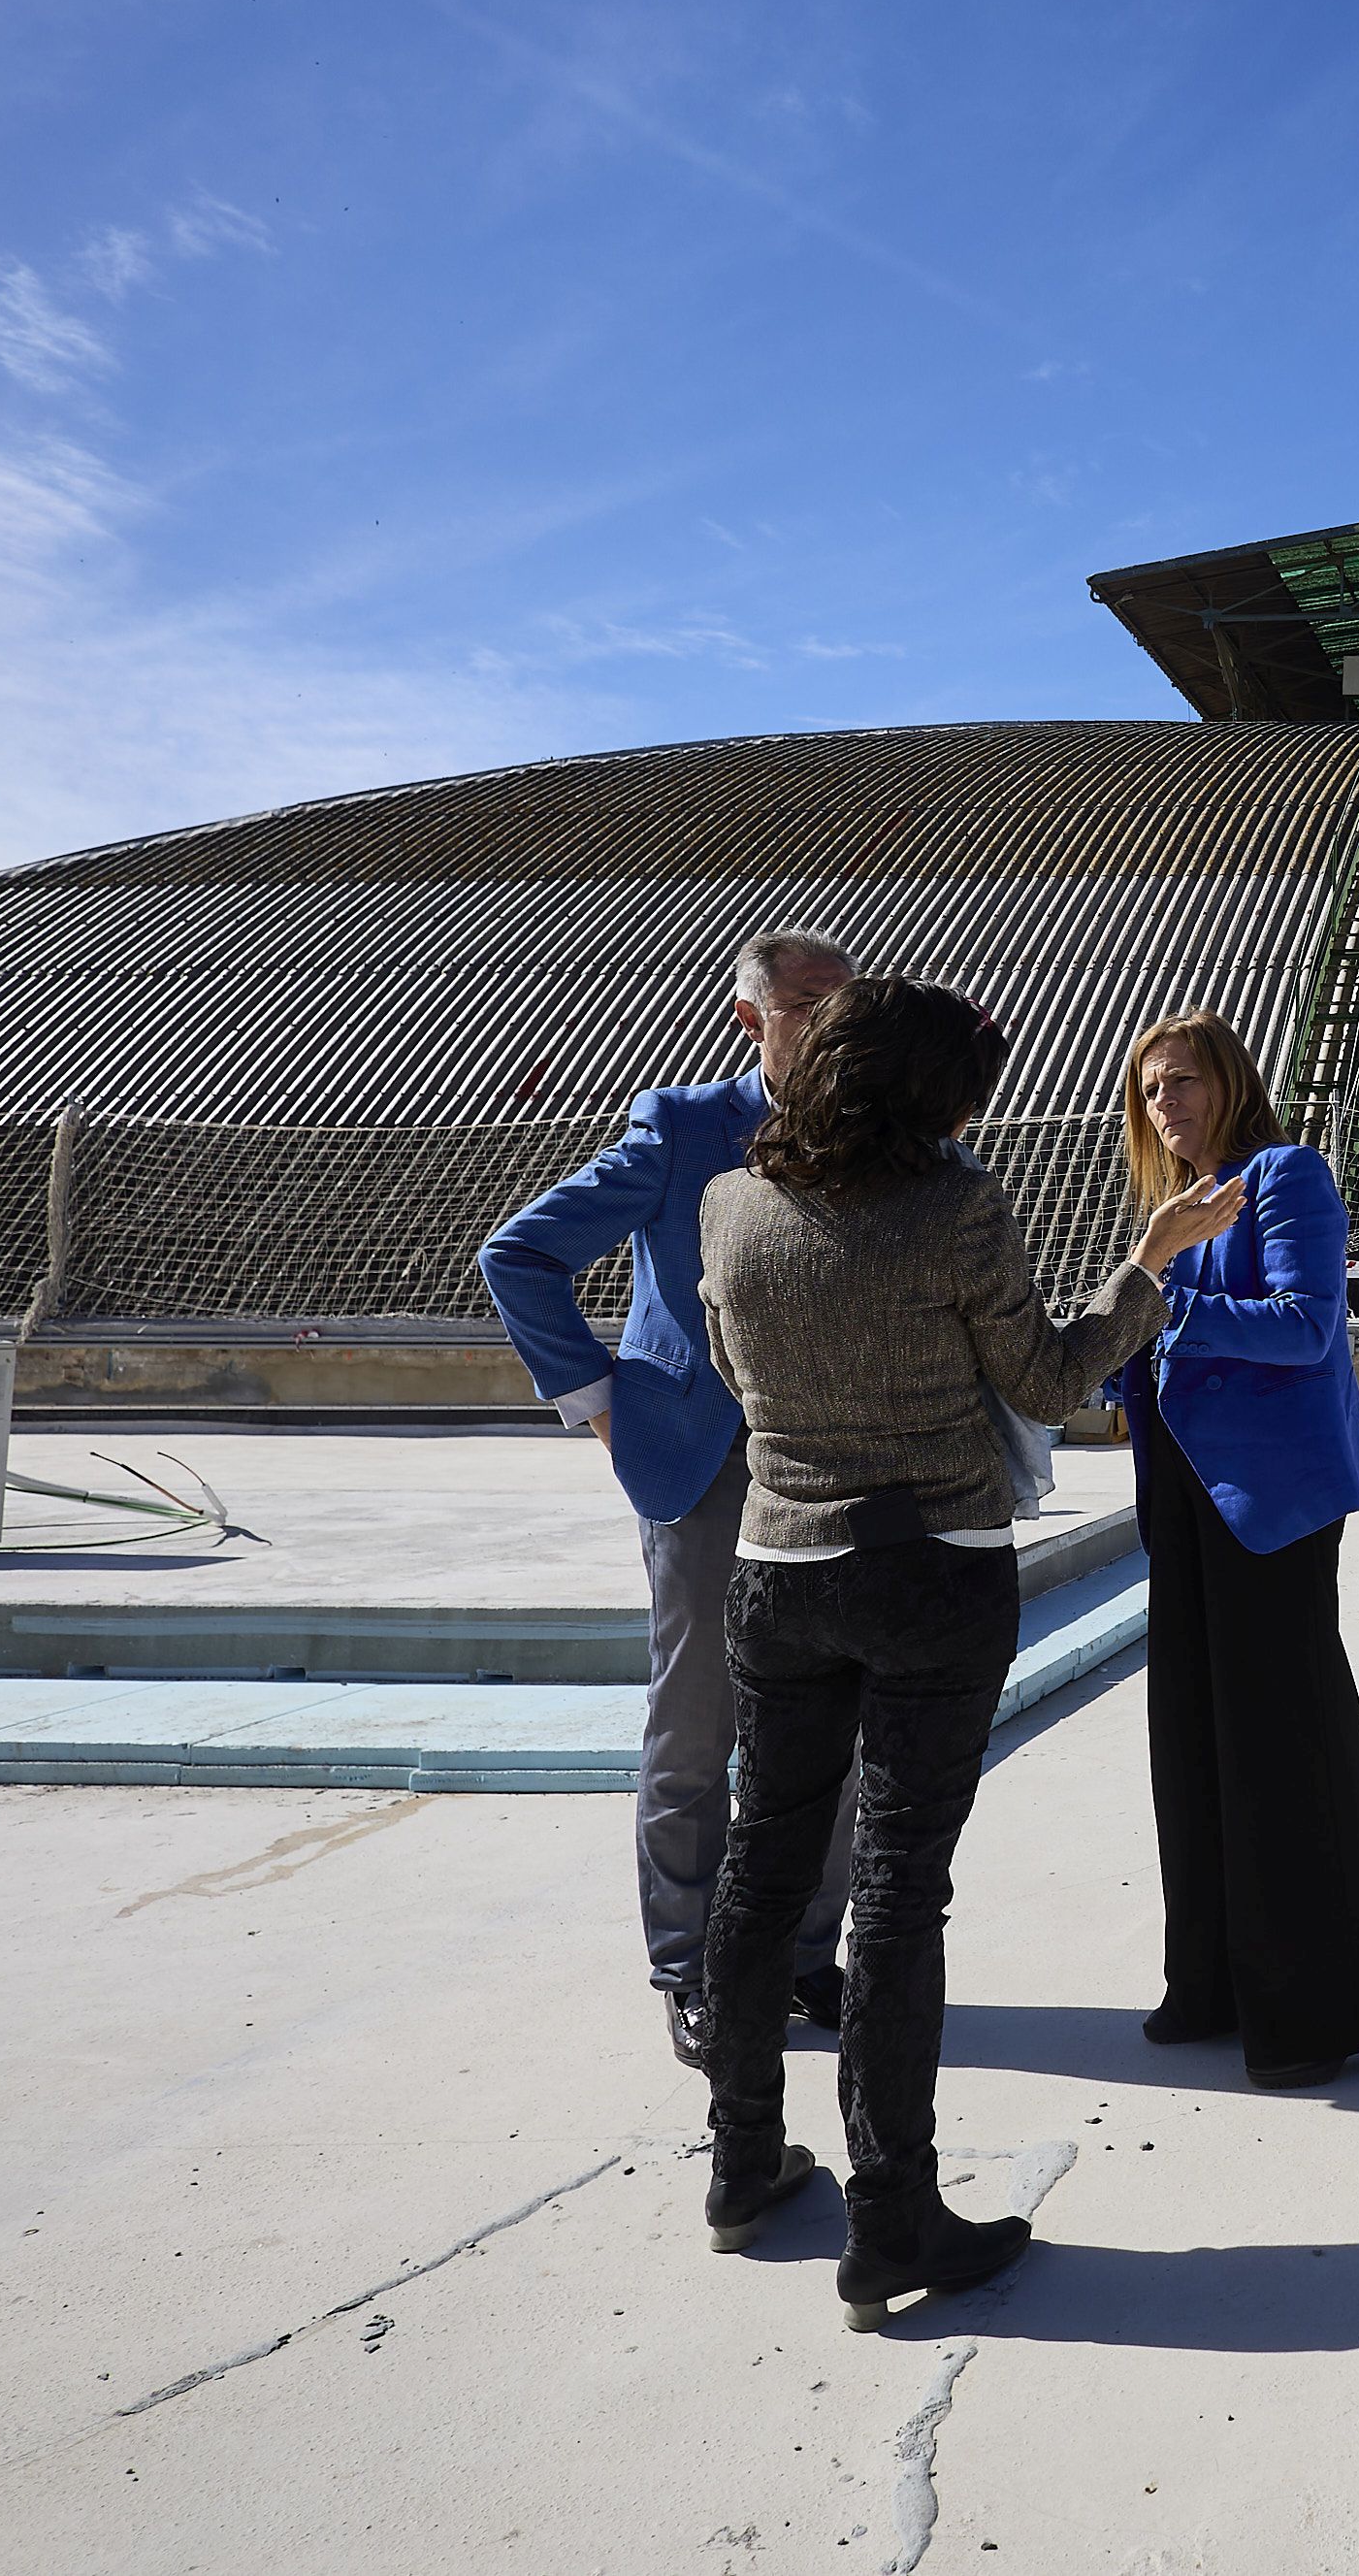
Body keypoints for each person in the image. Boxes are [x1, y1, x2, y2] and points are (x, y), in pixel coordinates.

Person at [694, 978, 1244, 2327]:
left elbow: (731, 1368)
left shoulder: (730, 1204)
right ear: (928, 1094)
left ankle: (744, 2166)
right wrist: (1148, 1267)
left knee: (765, 1865)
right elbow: (1051, 1381)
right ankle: (893, 2215)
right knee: (894, 1890)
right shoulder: (956, 1205)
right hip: (928, 1567)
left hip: (777, 1567)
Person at [477, 929, 862, 2070]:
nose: (830, 1017)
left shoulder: (873, 1133)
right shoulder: (683, 1126)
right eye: (805, 1001)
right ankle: (689, 1968)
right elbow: (519, 1255)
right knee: (696, 1726)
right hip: (697, 1462)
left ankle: (802, 1956)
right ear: (752, 1019)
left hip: (826, 1464)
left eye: (845, 998)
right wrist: (599, 1402)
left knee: (827, 1729)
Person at [1115, 1009, 1359, 2089]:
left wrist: (1160, 1293)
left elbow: (1304, 1325)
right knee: (1193, 1741)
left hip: (1271, 1506)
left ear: (1231, 1081)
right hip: (1186, 1498)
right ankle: (1214, 1985)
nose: (1167, 1105)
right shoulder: (1175, 1206)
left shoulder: (1287, 1175)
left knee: (1281, 1749)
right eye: (1150, 1091)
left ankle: (1316, 2012)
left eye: (1183, 1082)